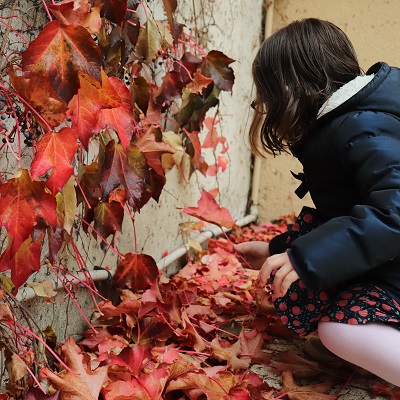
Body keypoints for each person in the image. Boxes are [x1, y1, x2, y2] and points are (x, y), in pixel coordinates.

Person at [235, 18, 400, 386]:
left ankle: (372, 336)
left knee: (340, 331)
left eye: (268, 96)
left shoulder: (361, 126)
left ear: (291, 89)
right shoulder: (350, 121)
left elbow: (396, 213)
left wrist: (308, 258)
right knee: (310, 273)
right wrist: (277, 249)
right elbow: (342, 215)